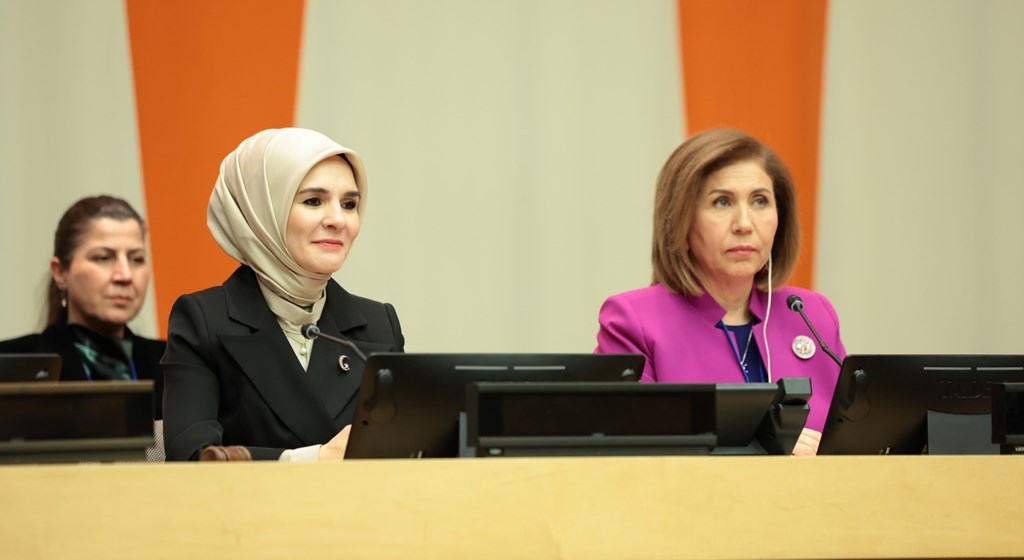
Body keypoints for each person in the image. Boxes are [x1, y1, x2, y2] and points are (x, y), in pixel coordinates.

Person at [594, 128, 845, 456]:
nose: (744, 223)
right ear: (681, 220)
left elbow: (854, 437)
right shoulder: (633, 321)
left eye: (760, 201)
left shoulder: (810, 314)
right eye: (722, 202)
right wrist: (764, 449)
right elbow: (629, 453)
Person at [162, 128, 405, 462]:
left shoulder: (380, 325)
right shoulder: (204, 320)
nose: (338, 220)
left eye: (349, 204)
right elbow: (190, 459)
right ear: (261, 211)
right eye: (313, 201)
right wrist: (313, 460)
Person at [0, 195, 165, 420]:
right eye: (103, 257)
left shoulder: (177, 364)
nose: (125, 275)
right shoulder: (12, 366)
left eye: (136, 259)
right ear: (60, 272)